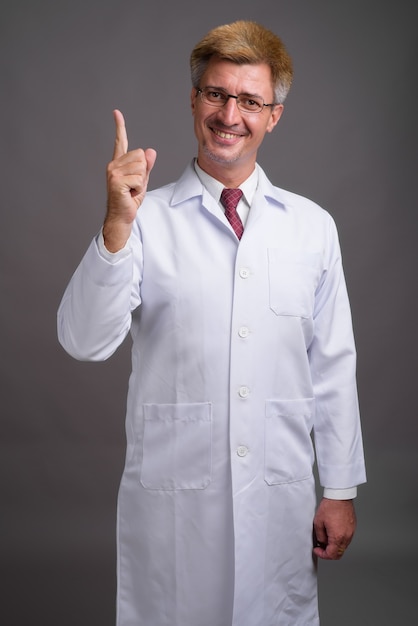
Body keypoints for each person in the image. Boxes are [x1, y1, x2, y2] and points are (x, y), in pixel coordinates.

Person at [57, 20, 366, 626]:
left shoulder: (312, 228)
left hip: (279, 496)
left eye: (250, 100)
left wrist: (339, 489)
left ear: (273, 115)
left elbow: (332, 363)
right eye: (217, 95)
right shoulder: (145, 220)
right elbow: (84, 340)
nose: (231, 114)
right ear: (194, 101)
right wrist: (116, 224)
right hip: (175, 501)